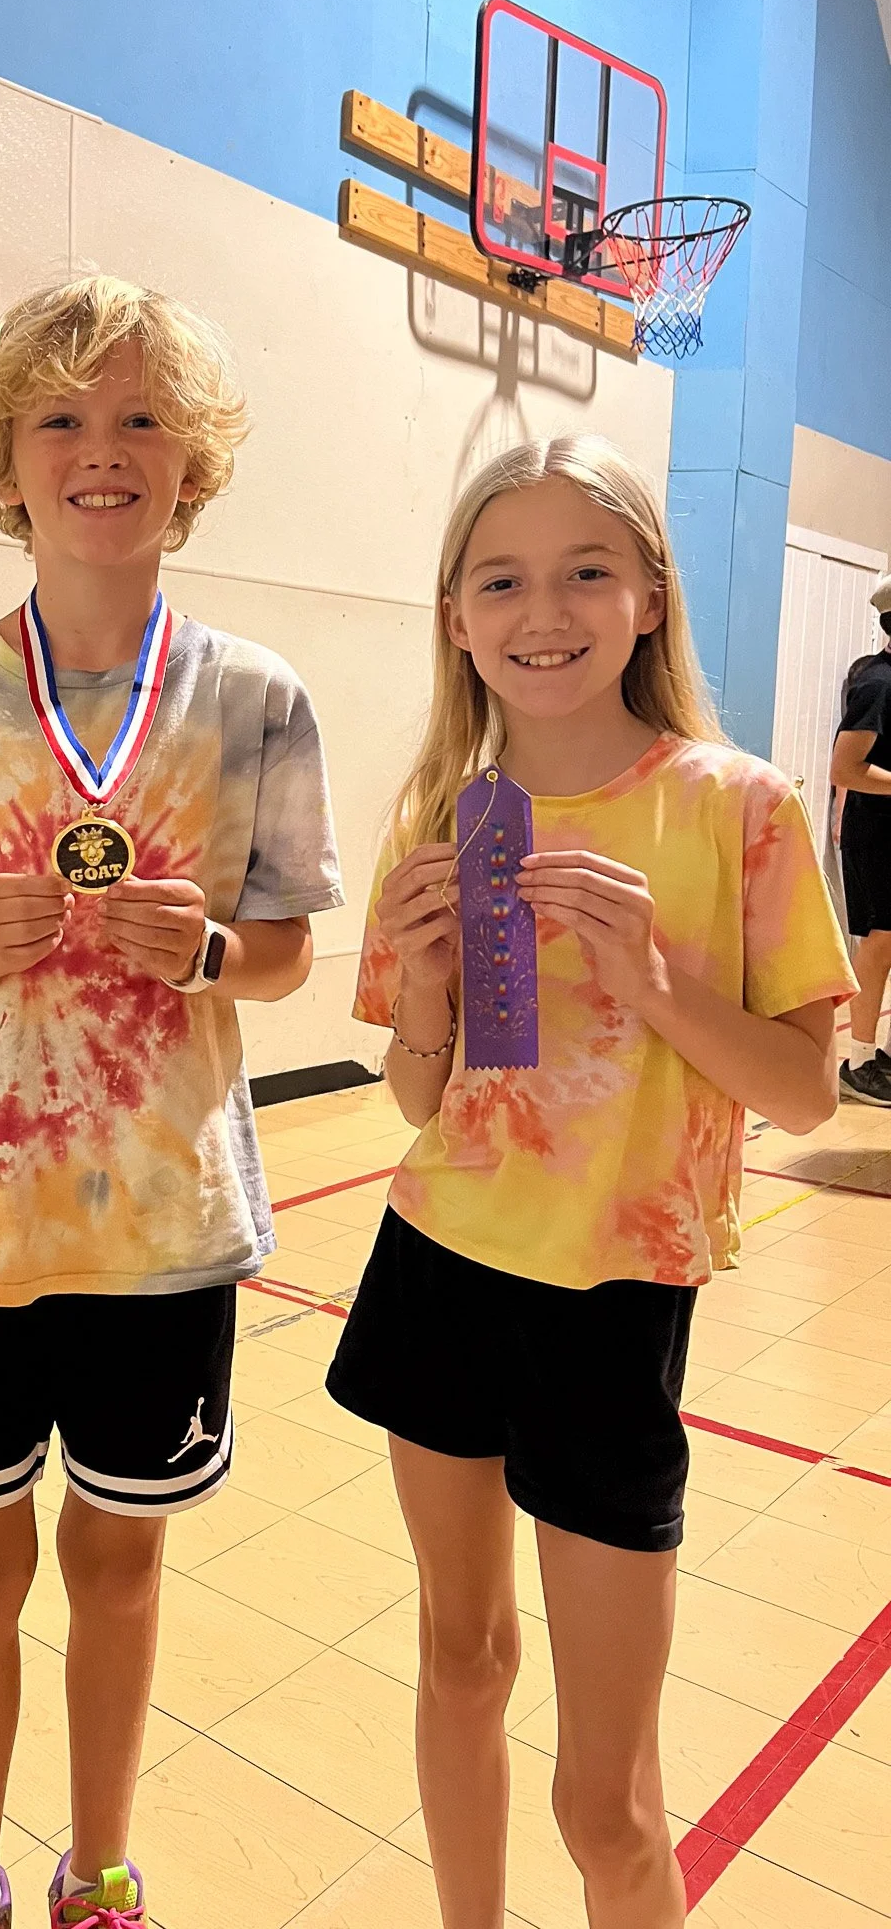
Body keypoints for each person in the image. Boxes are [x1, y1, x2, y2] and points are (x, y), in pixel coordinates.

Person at [0, 276, 343, 1929]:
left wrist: (213, 951)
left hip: (163, 1231)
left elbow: (283, 958)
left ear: (192, 466)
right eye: (60, 416)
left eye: (139, 420)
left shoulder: (255, 694)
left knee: (120, 1566)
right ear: (5, 458)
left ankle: (98, 1869)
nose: (100, 449)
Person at [325, 436, 854, 1929]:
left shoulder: (738, 810)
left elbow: (808, 1095)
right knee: (459, 1660)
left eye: (582, 573)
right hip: (440, 1271)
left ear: (646, 598)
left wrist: (665, 986)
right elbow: (423, 1099)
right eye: (501, 579)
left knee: (606, 1799)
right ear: (456, 617)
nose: (540, 611)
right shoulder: (442, 815)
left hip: (618, 1310)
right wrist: (424, 986)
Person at [830, 576, 891, 1103]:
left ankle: (880, 1054)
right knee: (876, 945)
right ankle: (859, 1060)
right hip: (876, 837)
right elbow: (846, 768)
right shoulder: (878, 683)